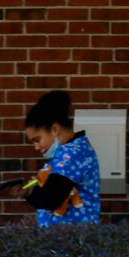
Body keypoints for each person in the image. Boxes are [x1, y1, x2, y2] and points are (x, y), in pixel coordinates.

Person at [20, 89, 101, 224]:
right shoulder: (68, 152)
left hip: (71, 239)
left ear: (55, 129)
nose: (36, 147)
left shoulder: (73, 153)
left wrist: (29, 193)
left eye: (37, 139)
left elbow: (51, 197)